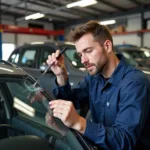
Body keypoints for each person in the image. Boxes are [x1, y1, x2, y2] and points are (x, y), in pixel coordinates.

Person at [46, 20, 150, 150]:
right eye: (80, 54)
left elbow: (124, 140)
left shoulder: (134, 83)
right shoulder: (94, 78)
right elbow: (72, 100)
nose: (83, 60)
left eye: (88, 51)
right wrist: (61, 75)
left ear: (107, 46)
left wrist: (79, 122)